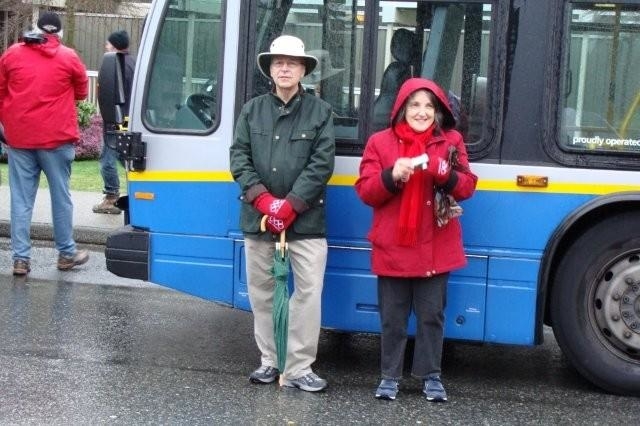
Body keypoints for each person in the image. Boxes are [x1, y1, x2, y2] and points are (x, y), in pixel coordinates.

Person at [355, 78, 477, 402]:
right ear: (401, 109)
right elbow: (366, 191)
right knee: (392, 318)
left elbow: (466, 187)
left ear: (437, 112)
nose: (421, 112)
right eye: (414, 105)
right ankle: (389, 377)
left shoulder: (451, 141)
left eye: (428, 106)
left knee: (431, 317)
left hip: (436, 248)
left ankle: (431, 376)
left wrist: (444, 172)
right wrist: (391, 176)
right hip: (393, 246)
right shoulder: (380, 143)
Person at [230, 35, 335, 392]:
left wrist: (290, 205)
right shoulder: (251, 110)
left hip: (306, 222)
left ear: (304, 69)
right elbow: (238, 159)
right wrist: (264, 202)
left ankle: (299, 367)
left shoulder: (320, 113)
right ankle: (270, 362)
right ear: (270, 70)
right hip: (259, 220)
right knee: (262, 292)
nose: (285, 68)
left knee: (308, 292)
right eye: (278, 63)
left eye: (292, 62)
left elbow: (321, 165)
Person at [0, 11, 90, 276]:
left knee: (21, 199)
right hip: (57, 138)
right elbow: (82, 92)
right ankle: (66, 254)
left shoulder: (12, 54)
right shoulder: (68, 56)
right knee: (60, 197)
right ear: (59, 34)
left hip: (20, 139)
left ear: (36, 29)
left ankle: (20, 259)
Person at [93, 30, 136, 214]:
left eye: (108, 43)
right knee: (124, 157)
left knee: (107, 159)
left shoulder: (114, 64)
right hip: (129, 118)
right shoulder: (134, 62)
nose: (106, 46)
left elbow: (109, 93)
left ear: (115, 45)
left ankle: (111, 197)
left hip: (116, 119)